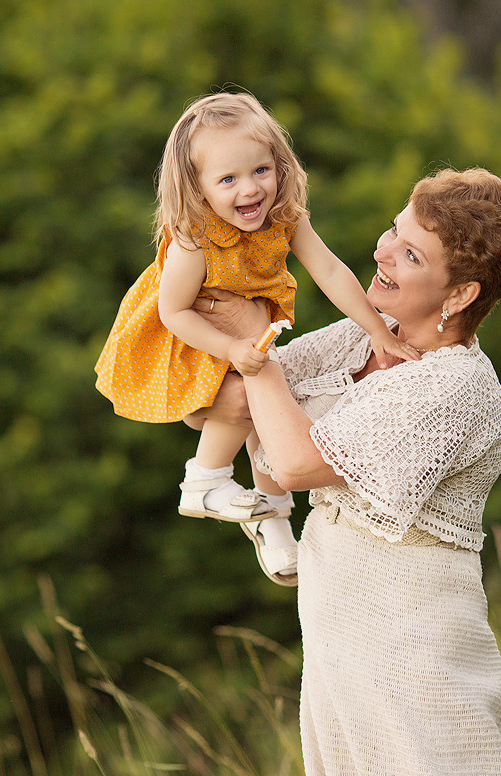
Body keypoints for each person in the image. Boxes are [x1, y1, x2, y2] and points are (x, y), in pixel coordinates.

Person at [194, 166, 501, 776]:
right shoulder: (361, 336)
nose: (383, 252)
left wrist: (251, 342)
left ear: (461, 294)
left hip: (413, 654)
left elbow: (295, 463)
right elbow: (225, 401)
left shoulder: (457, 387)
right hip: (338, 646)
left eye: (412, 254)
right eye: (393, 230)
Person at [94, 92, 418, 585]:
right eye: (228, 179)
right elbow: (172, 311)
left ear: (279, 166)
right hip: (189, 339)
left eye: (261, 170)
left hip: (243, 333)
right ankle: (204, 480)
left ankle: (272, 516)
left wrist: (377, 329)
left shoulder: (284, 217)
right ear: (198, 187)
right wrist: (230, 349)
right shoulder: (194, 238)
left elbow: (329, 271)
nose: (250, 189)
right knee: (249, 400)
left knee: (267, 409)